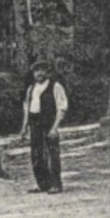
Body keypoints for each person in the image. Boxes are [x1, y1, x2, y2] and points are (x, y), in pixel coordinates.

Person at [20, 62, 68, 193]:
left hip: (49, 123)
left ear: (48, 72)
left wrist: (55, 127)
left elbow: (61, 108)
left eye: (42, 70)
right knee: (36, 154)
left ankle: (56, 184)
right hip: (35, 124)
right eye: (36, 71)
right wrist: (24, 127)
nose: (39, 73)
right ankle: (43, 184)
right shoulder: (31, 88)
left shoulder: (55, 86)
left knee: (52, 153)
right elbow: (27, 109)